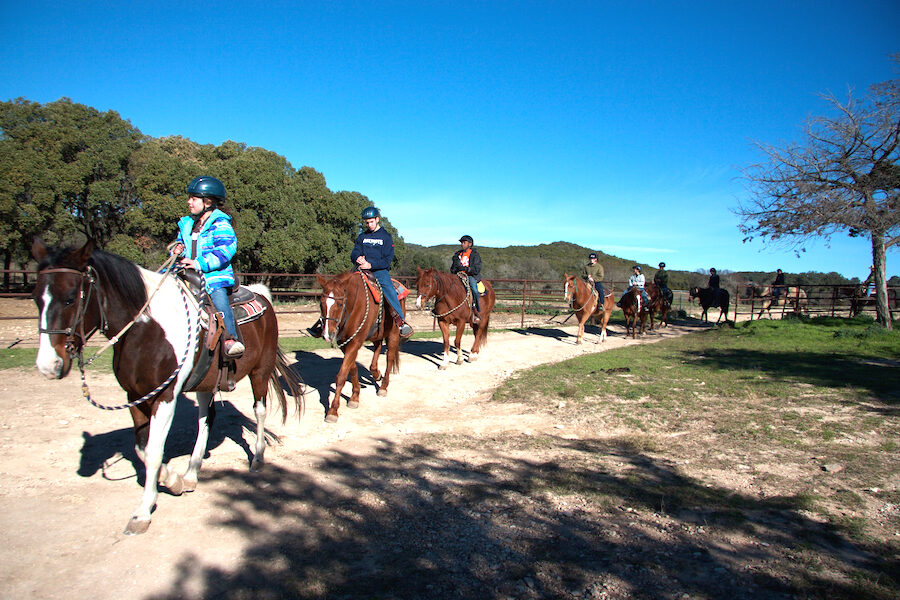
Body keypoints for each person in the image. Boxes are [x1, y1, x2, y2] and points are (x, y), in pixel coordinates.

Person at [173, 176, 244, 357]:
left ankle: (230, 338)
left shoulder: (220, 223)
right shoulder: (188, 224)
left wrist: (199, 263)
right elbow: (180, 241)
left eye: (194, 198)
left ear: (208, 202)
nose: (189, 202)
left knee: (219, 301)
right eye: (190, 197)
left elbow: (226, 250)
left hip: (213, 276)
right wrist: (178, 248)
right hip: (186, 273)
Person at [351, 206, 413, 337]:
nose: (369, 224)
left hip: (379, 271)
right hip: (361, 268)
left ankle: (401, 322)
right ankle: (326, 323)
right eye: (367, 222)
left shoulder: (386, 237)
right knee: (341, 285)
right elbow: (355, 250)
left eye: (371, 221)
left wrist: (370, 264)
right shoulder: (362, 236)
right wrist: (357, 258)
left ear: (377, 219)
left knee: (389, 289)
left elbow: (387, 260)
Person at [450, 235, 483, 323]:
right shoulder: (457, 255)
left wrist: (468, 269)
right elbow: (453, 267)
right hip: (458, 275)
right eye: (462, 243)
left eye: (464, 243)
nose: (462, 244)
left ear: (470, 244)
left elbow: (477, 268)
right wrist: (455, 269)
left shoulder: (475, 255)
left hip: (470, 276)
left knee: (474, 290)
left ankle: (476, 310)